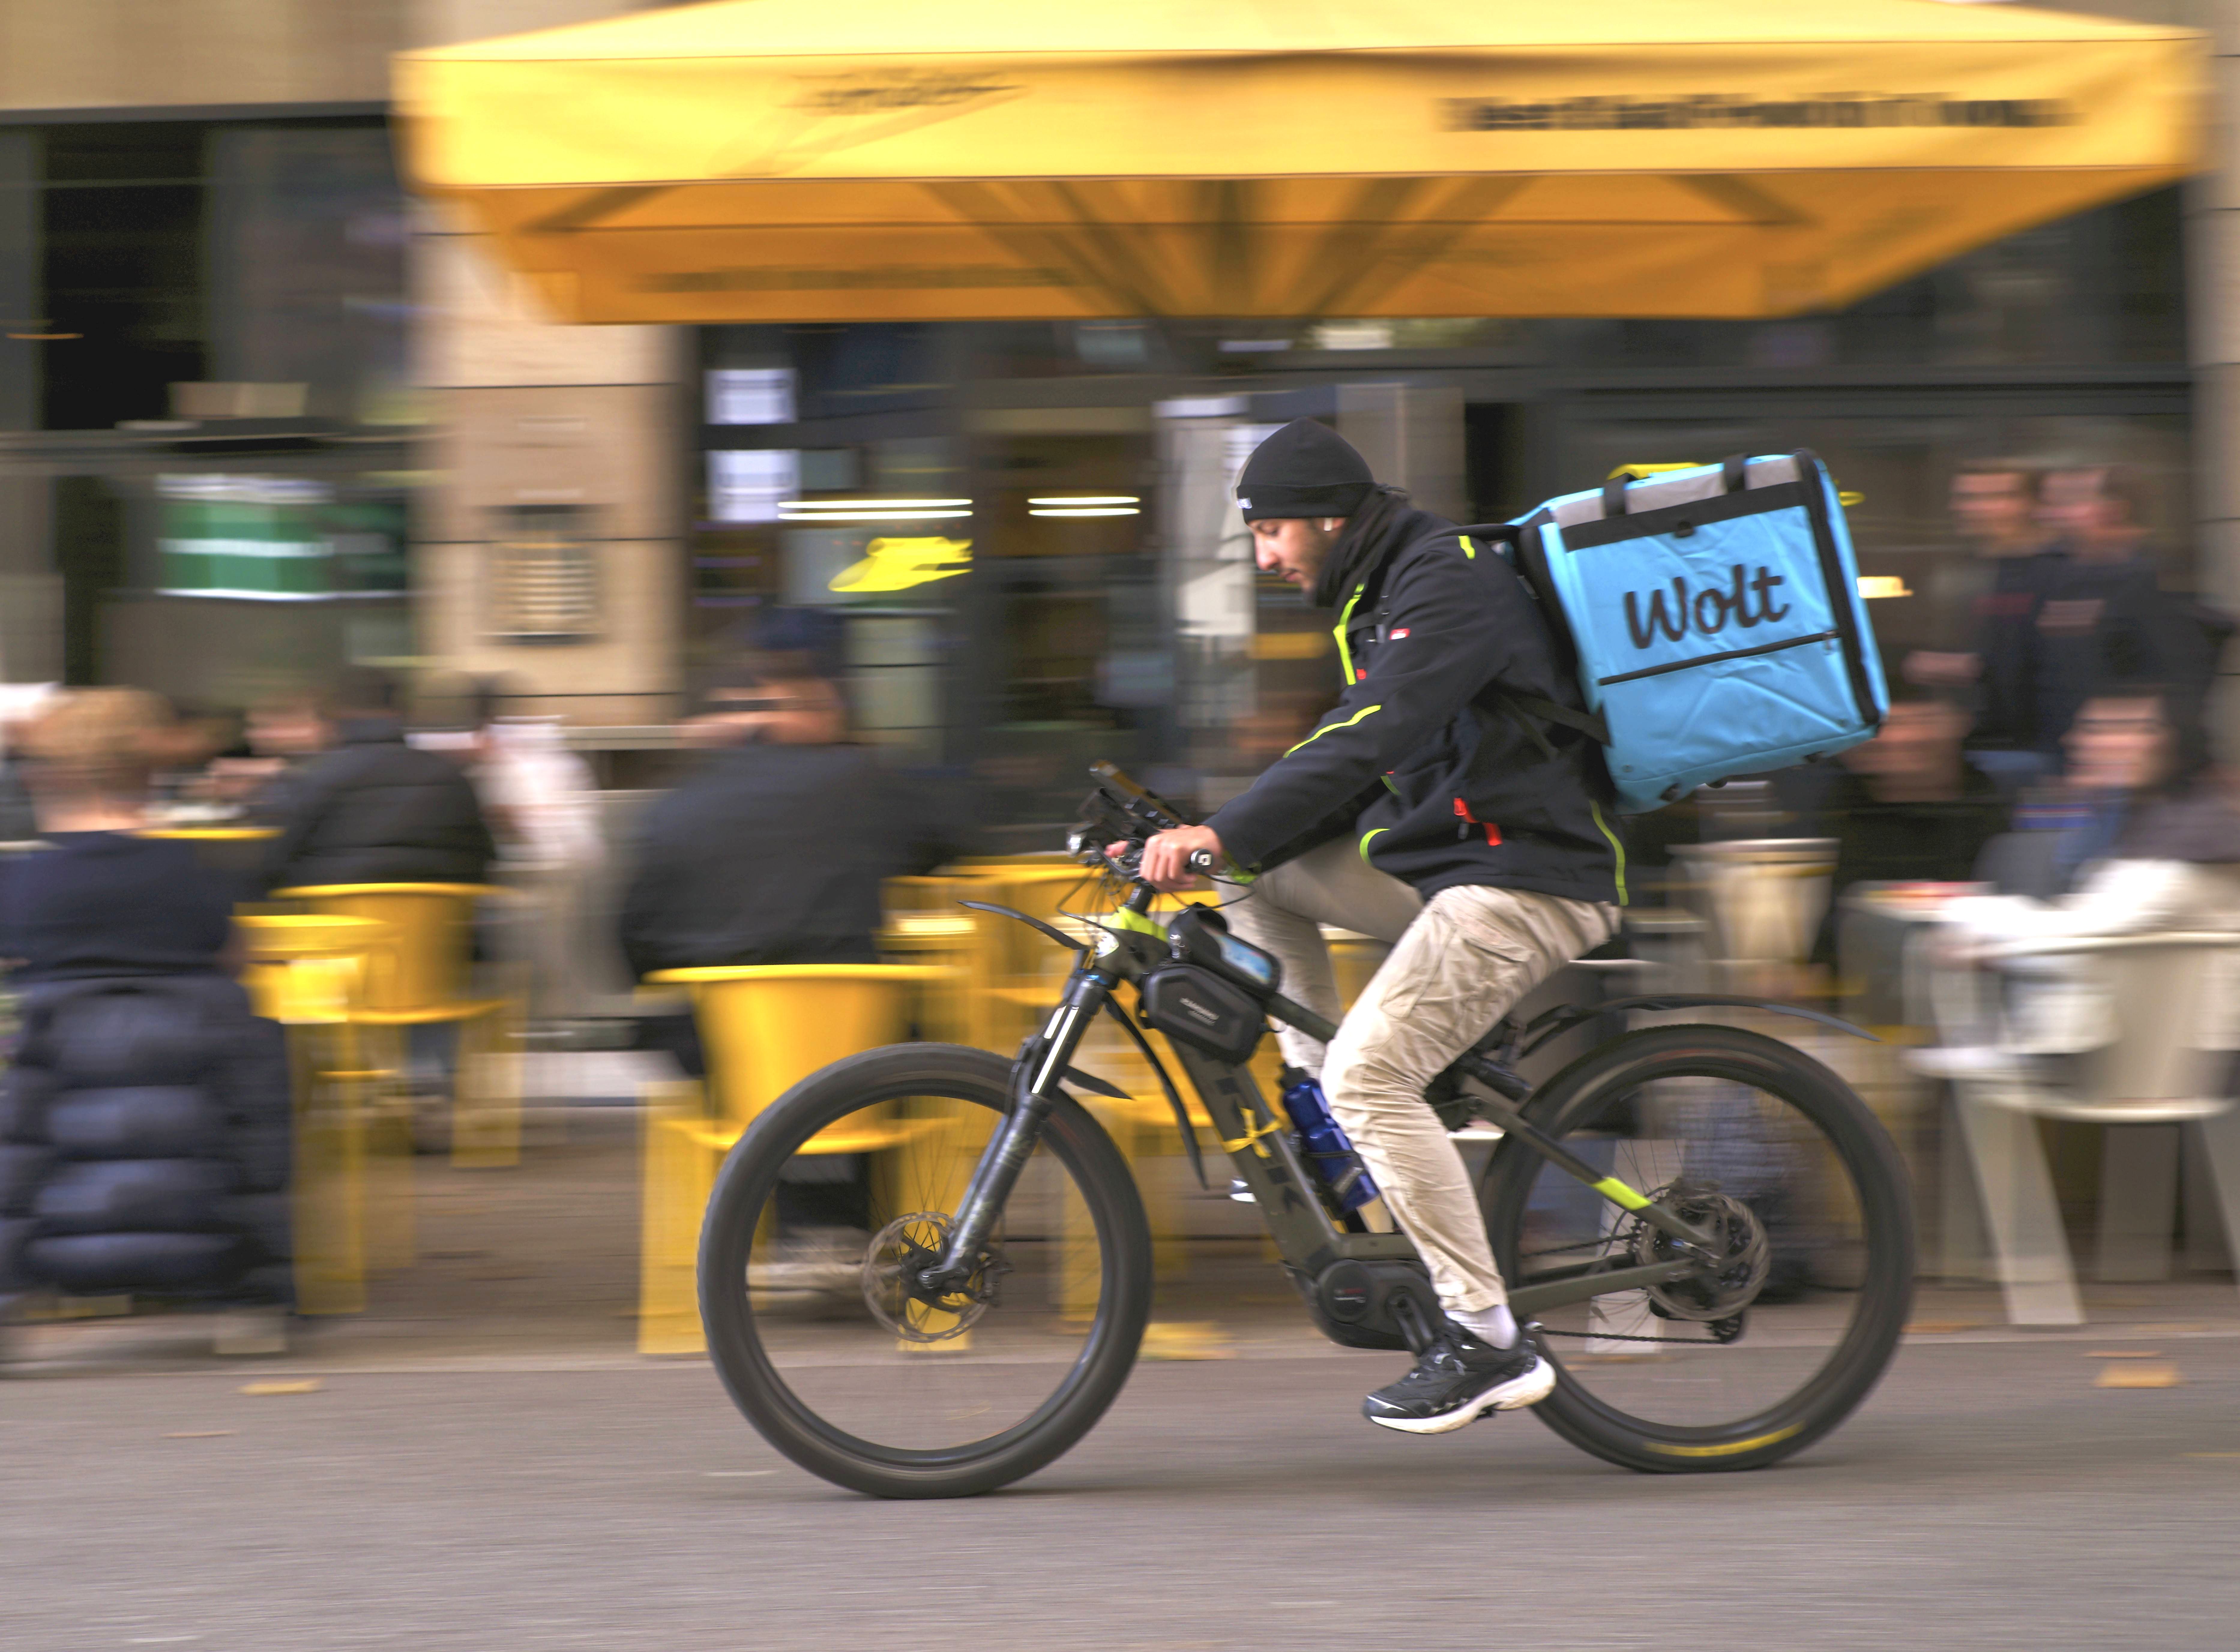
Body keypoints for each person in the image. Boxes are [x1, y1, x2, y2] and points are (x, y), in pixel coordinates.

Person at [1137, 418, 1620, 1434]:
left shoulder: (1444, 581)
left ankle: (1488, 1340)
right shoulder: (1383, 588)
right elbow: (1352, 762)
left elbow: (1370, 734)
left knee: (1374, 1069)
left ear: (1324, 515)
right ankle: (1340, 1127)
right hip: (1454, 870)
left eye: (1269, 532)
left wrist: (1221, 826)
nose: (1265, 556)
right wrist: (1216, 841)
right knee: (1253, 880)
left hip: (1529, 878)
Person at [0, 690, 291, 1345]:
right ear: (151, 774)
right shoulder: (192, 872)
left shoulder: (24, 881)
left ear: (44, 776)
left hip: (57, 1096)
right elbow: (237, 960)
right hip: (194, 1102)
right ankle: (250, 1300)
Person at [619, 641, 969, 1071]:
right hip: (861, 1053)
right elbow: (953, 851)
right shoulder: (866, 779)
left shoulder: (671, 808)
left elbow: (634, 934)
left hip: (724, 1063)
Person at [1806, 686, 2008, 964]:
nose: (1893, 739)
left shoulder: (1995, 811)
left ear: (1958, 724)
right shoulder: (1841, 811)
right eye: (1881, 727)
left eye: (1911, 724)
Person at [256, 666, 495, 893]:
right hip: (434, 926)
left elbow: (276, 863)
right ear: (404, 713)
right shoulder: (448, 774)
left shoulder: (315, 776)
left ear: (334, 717)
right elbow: (485, 856)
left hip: (338, 926)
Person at [1905, 461, 2064, 785]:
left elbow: (2061, 665)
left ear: (2031, 505)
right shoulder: (1960, 575)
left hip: (2043, 754)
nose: (1971, 509)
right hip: (1967, 753)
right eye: (1965, 498)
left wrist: (1973, 667)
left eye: (1992, 497)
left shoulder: (2062, 572)